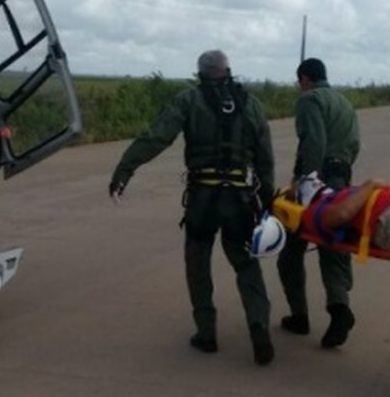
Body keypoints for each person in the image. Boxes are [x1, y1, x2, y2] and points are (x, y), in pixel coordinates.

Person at [108, 50, 277, 365]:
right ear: (228, 70)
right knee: (246, 264)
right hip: (240, 200)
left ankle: (206, 333)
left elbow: (155, 137)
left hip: (203, 200)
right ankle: (258, 324)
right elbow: (265, 158)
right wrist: (269, 201)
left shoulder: (188, 100)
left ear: (200, 73)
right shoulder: (251, 104)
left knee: (198, 264)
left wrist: (124, 170)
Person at [277, 57, 361, 348]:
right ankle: (339, 309)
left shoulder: (309, 100)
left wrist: (305, 181)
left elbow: (314, 140)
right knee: (334, 245)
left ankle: (299, 316)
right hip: (341, 180)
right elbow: (354, 146)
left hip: (317, 180)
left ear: (304, 79)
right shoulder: (344, 103)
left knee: (291, 250)